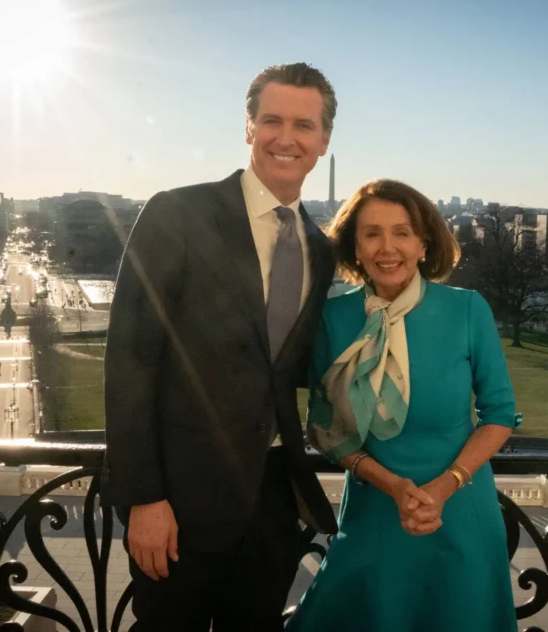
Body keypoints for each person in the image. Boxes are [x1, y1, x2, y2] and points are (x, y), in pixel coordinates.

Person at [102, 62, 340, 631]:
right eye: (272, 120)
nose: (287, 138)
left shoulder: (319, 248)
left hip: (272, 504)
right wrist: (144, 499)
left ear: (324, 139)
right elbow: (131, 360)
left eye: (304, 125)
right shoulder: (177, 214)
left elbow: (287, 366)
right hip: (178, 504)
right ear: (249, 128)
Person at [287, 179, 521, 632]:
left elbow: (499, 414)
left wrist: (443, 489)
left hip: (458, 515)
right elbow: (327, 431)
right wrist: (393, 486)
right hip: (373, 514)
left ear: (423, 244)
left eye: (402, 232)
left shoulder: (467, 310)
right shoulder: (333, 319)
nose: (387, 247)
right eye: (372, 234)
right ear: (355, 248)